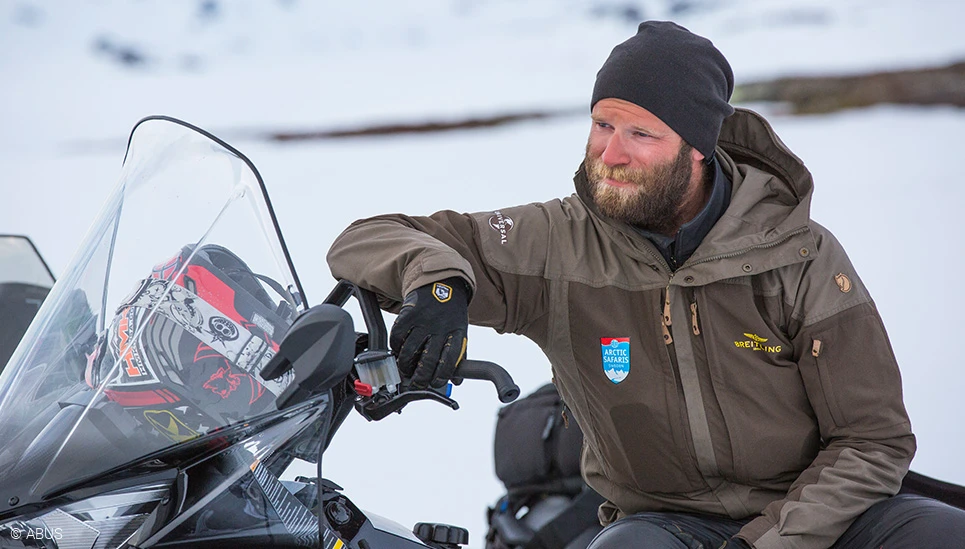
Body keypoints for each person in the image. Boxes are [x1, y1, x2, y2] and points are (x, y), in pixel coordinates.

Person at [326, 21, 965, 548]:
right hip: (669, 523)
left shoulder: (799, 254)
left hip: (825, 516)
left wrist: (768, 542)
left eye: (641, 133)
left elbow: (872, 440)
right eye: (602, 124)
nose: (611, 153)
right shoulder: (558, 244)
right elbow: (366, 237)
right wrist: (438, 283)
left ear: (698, 148)